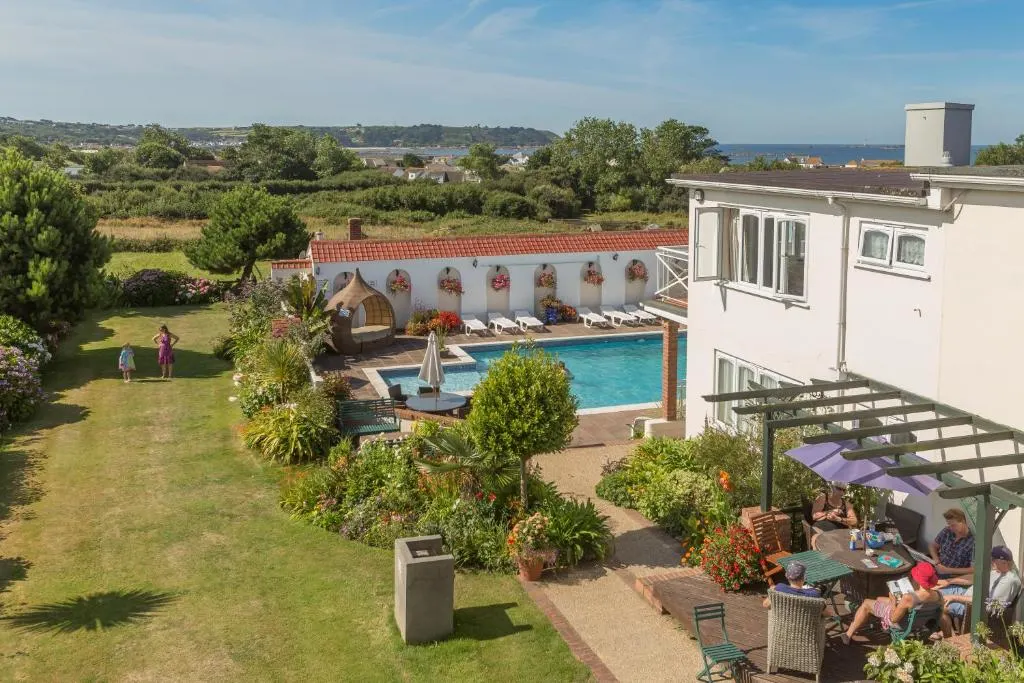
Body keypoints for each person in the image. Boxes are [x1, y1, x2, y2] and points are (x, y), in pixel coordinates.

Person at [840, 561, 942, 644]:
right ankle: (868, 617)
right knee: (879, 599)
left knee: (866, 603)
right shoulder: (938, 595)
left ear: (918, 579)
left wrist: (893, 600)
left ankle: (848, 634)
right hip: (918, 622)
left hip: (902, 624)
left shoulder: (909, 598)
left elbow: (893, 619)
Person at [938, 545, 1021, 637]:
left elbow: (986, 603)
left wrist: (954, 597)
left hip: (971, 606)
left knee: (938, 606)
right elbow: (975, 577)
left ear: (1004, 562)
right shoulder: (998, 571)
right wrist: (949, 581)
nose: (991, 562)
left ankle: (950, 639)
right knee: (936, 592)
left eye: (993, 560)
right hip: (965, 595)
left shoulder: (1008, 581)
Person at [809, 482, 857, 549]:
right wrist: (830, 511)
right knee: (818, 539)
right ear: (832, 487)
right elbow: (814, 516)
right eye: (839, 489)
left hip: (839, 534)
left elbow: (854, 521)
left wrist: (838, 519)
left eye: (844, 490)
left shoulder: (846, 504)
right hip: (821, 530)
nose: (842, 493)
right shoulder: (823, 498)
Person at [929, 508, 974, 577]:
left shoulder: (973, 542)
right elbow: (933, 546)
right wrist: (936, 560)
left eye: (953, 525)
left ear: (963, 522)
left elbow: (973, 569)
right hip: (937, 568)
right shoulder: (947, 531)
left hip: (954, 576)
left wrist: (947, 570)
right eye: (948, 524)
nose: (951, 528)